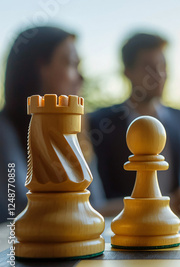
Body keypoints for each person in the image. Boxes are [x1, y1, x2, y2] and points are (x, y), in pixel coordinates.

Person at [0, 26, 105, 221]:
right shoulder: (3, 131)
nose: (81, 77)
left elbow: (94, 203)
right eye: (71, 63)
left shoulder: (78, 127)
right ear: (40, 67)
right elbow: (21, 209)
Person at [89, 33, 180, 207]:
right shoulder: (100, 124)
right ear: (127, 71)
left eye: (163, 66)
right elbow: (98, 199)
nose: (159, 75)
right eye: (149, 67)